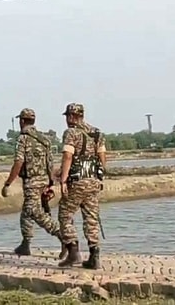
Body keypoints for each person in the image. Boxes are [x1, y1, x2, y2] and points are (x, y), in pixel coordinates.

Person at [1, 108, 66, 257]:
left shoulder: (23, 139)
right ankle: (26, 243)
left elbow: (18, 162)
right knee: (26, 213)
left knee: (34, 212)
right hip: (44, 181)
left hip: (32, 182)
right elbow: (50, 163)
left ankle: (64, 237)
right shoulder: (44, 139)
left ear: (22, 121)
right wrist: (50, 183)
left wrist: (7, 184)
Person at [57, 103, 106, 269]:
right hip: (94, 180)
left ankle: (73, 252)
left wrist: (63, 180)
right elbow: (102, 157)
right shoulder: (97, 133)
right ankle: (94, 255)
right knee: (91, 218)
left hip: (77, 182)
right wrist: (100, 177)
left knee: (65, 214)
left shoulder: (71, 133)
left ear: (71, 117)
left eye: (67, 117)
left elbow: (67, 157)